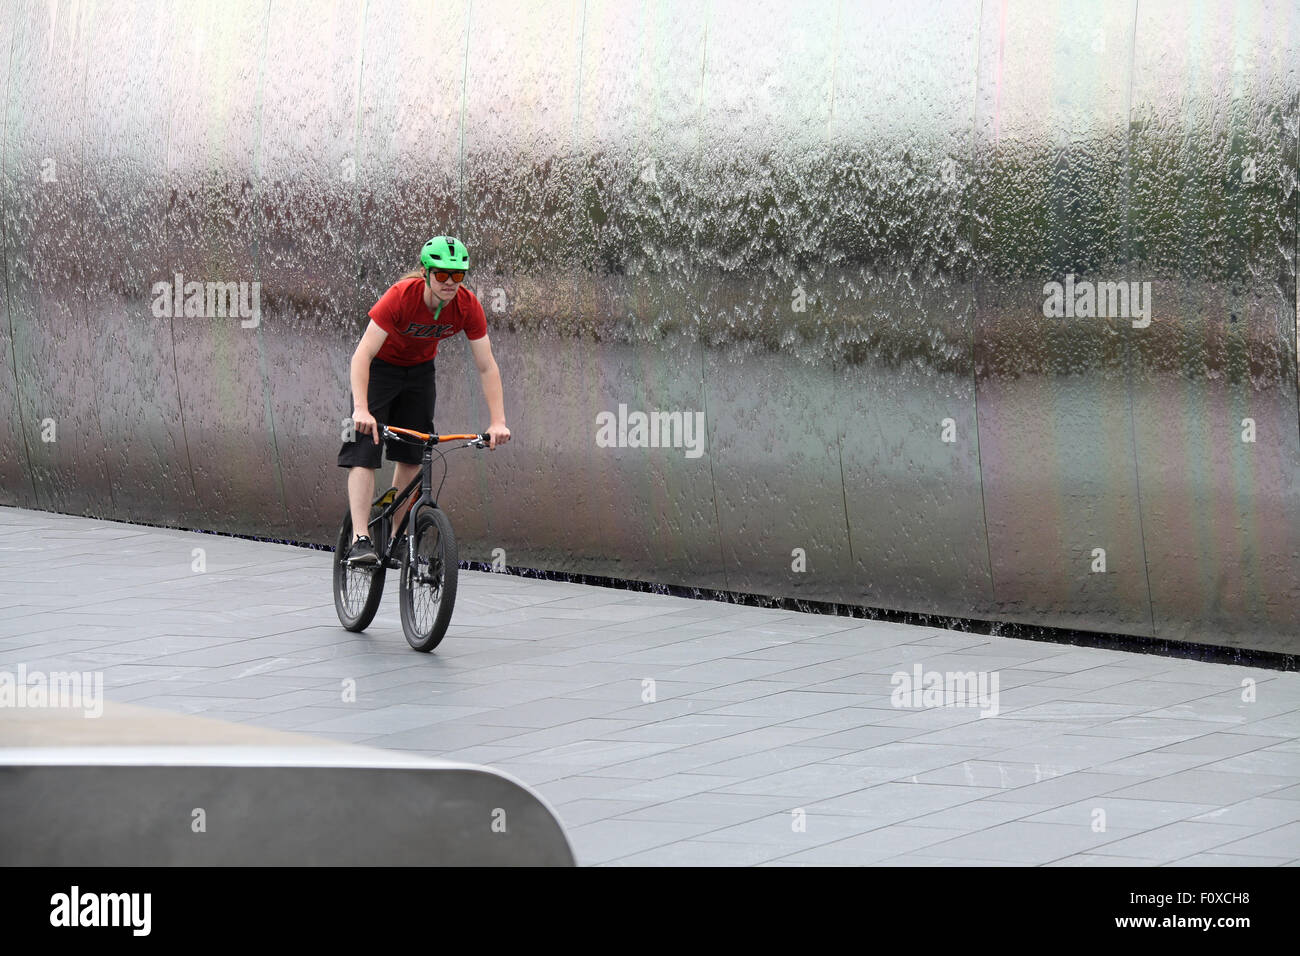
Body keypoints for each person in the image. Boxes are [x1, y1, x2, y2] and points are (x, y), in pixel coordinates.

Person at [338, 235, 510, 565]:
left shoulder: (467, 306)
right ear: (426, 272)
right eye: (442, 274)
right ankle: (360, 538)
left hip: (418, 373)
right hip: (380, 370)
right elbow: (362, 355)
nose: (449, 282)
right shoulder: (401, 297)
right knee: (364, 448)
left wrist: (498, 421)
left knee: (413, 452)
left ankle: (397, 537)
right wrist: (361, 408)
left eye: (457, 275)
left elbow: (487, 366)